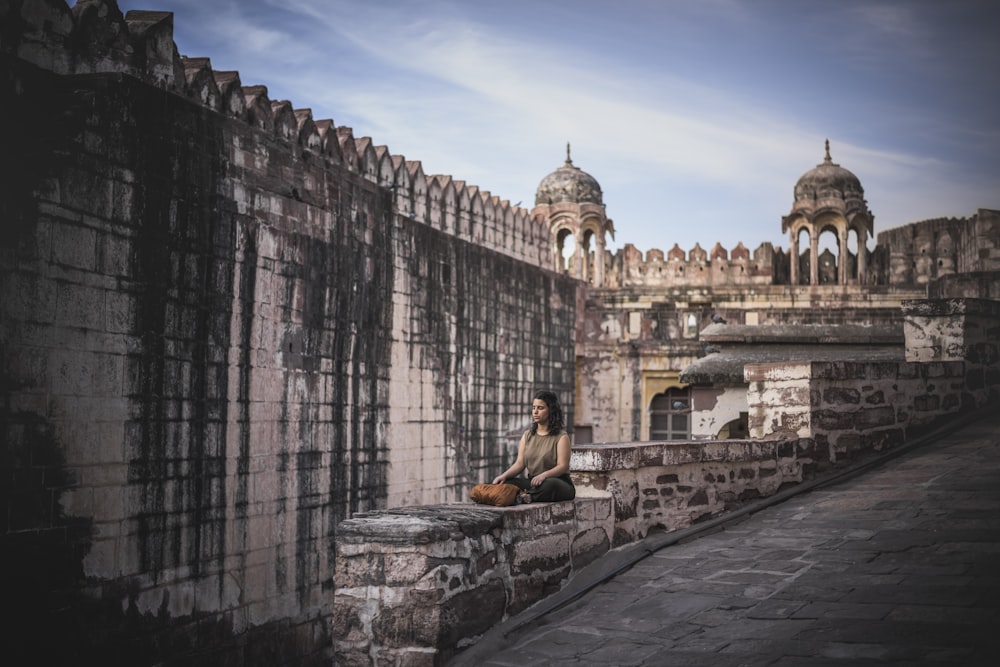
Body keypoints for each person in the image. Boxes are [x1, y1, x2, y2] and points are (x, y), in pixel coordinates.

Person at [492, 390, 575, 503]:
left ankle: (524, 497)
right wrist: (504, 476)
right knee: (506, 483)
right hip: (533, 483)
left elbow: (563, 466)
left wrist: (544, 476)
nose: (535, 412)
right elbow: (520, 463)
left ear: (551, 410)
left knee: (550, 484)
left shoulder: (561, 437)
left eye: (540, 408)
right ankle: (524, 497)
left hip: (558, 483)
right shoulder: (527, 435)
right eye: (533, 407)